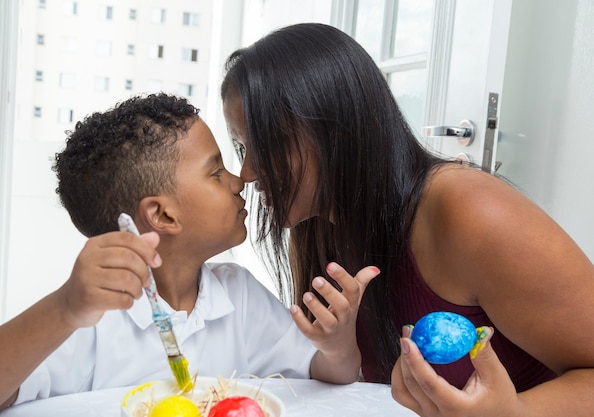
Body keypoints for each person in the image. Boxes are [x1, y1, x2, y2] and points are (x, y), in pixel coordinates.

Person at [220, 22, 594, 416]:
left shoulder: (470, 211)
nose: (246, 172)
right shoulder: (317, 230)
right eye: (243, 147)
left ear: (332, 129)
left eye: (263, 145)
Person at [0, 93, 378, 417]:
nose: (240, 181)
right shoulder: (91, 318)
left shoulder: (240, 296)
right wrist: (64, 308)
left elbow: (329, 376)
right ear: (162, 215)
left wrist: (338, 345)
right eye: (216, 172)